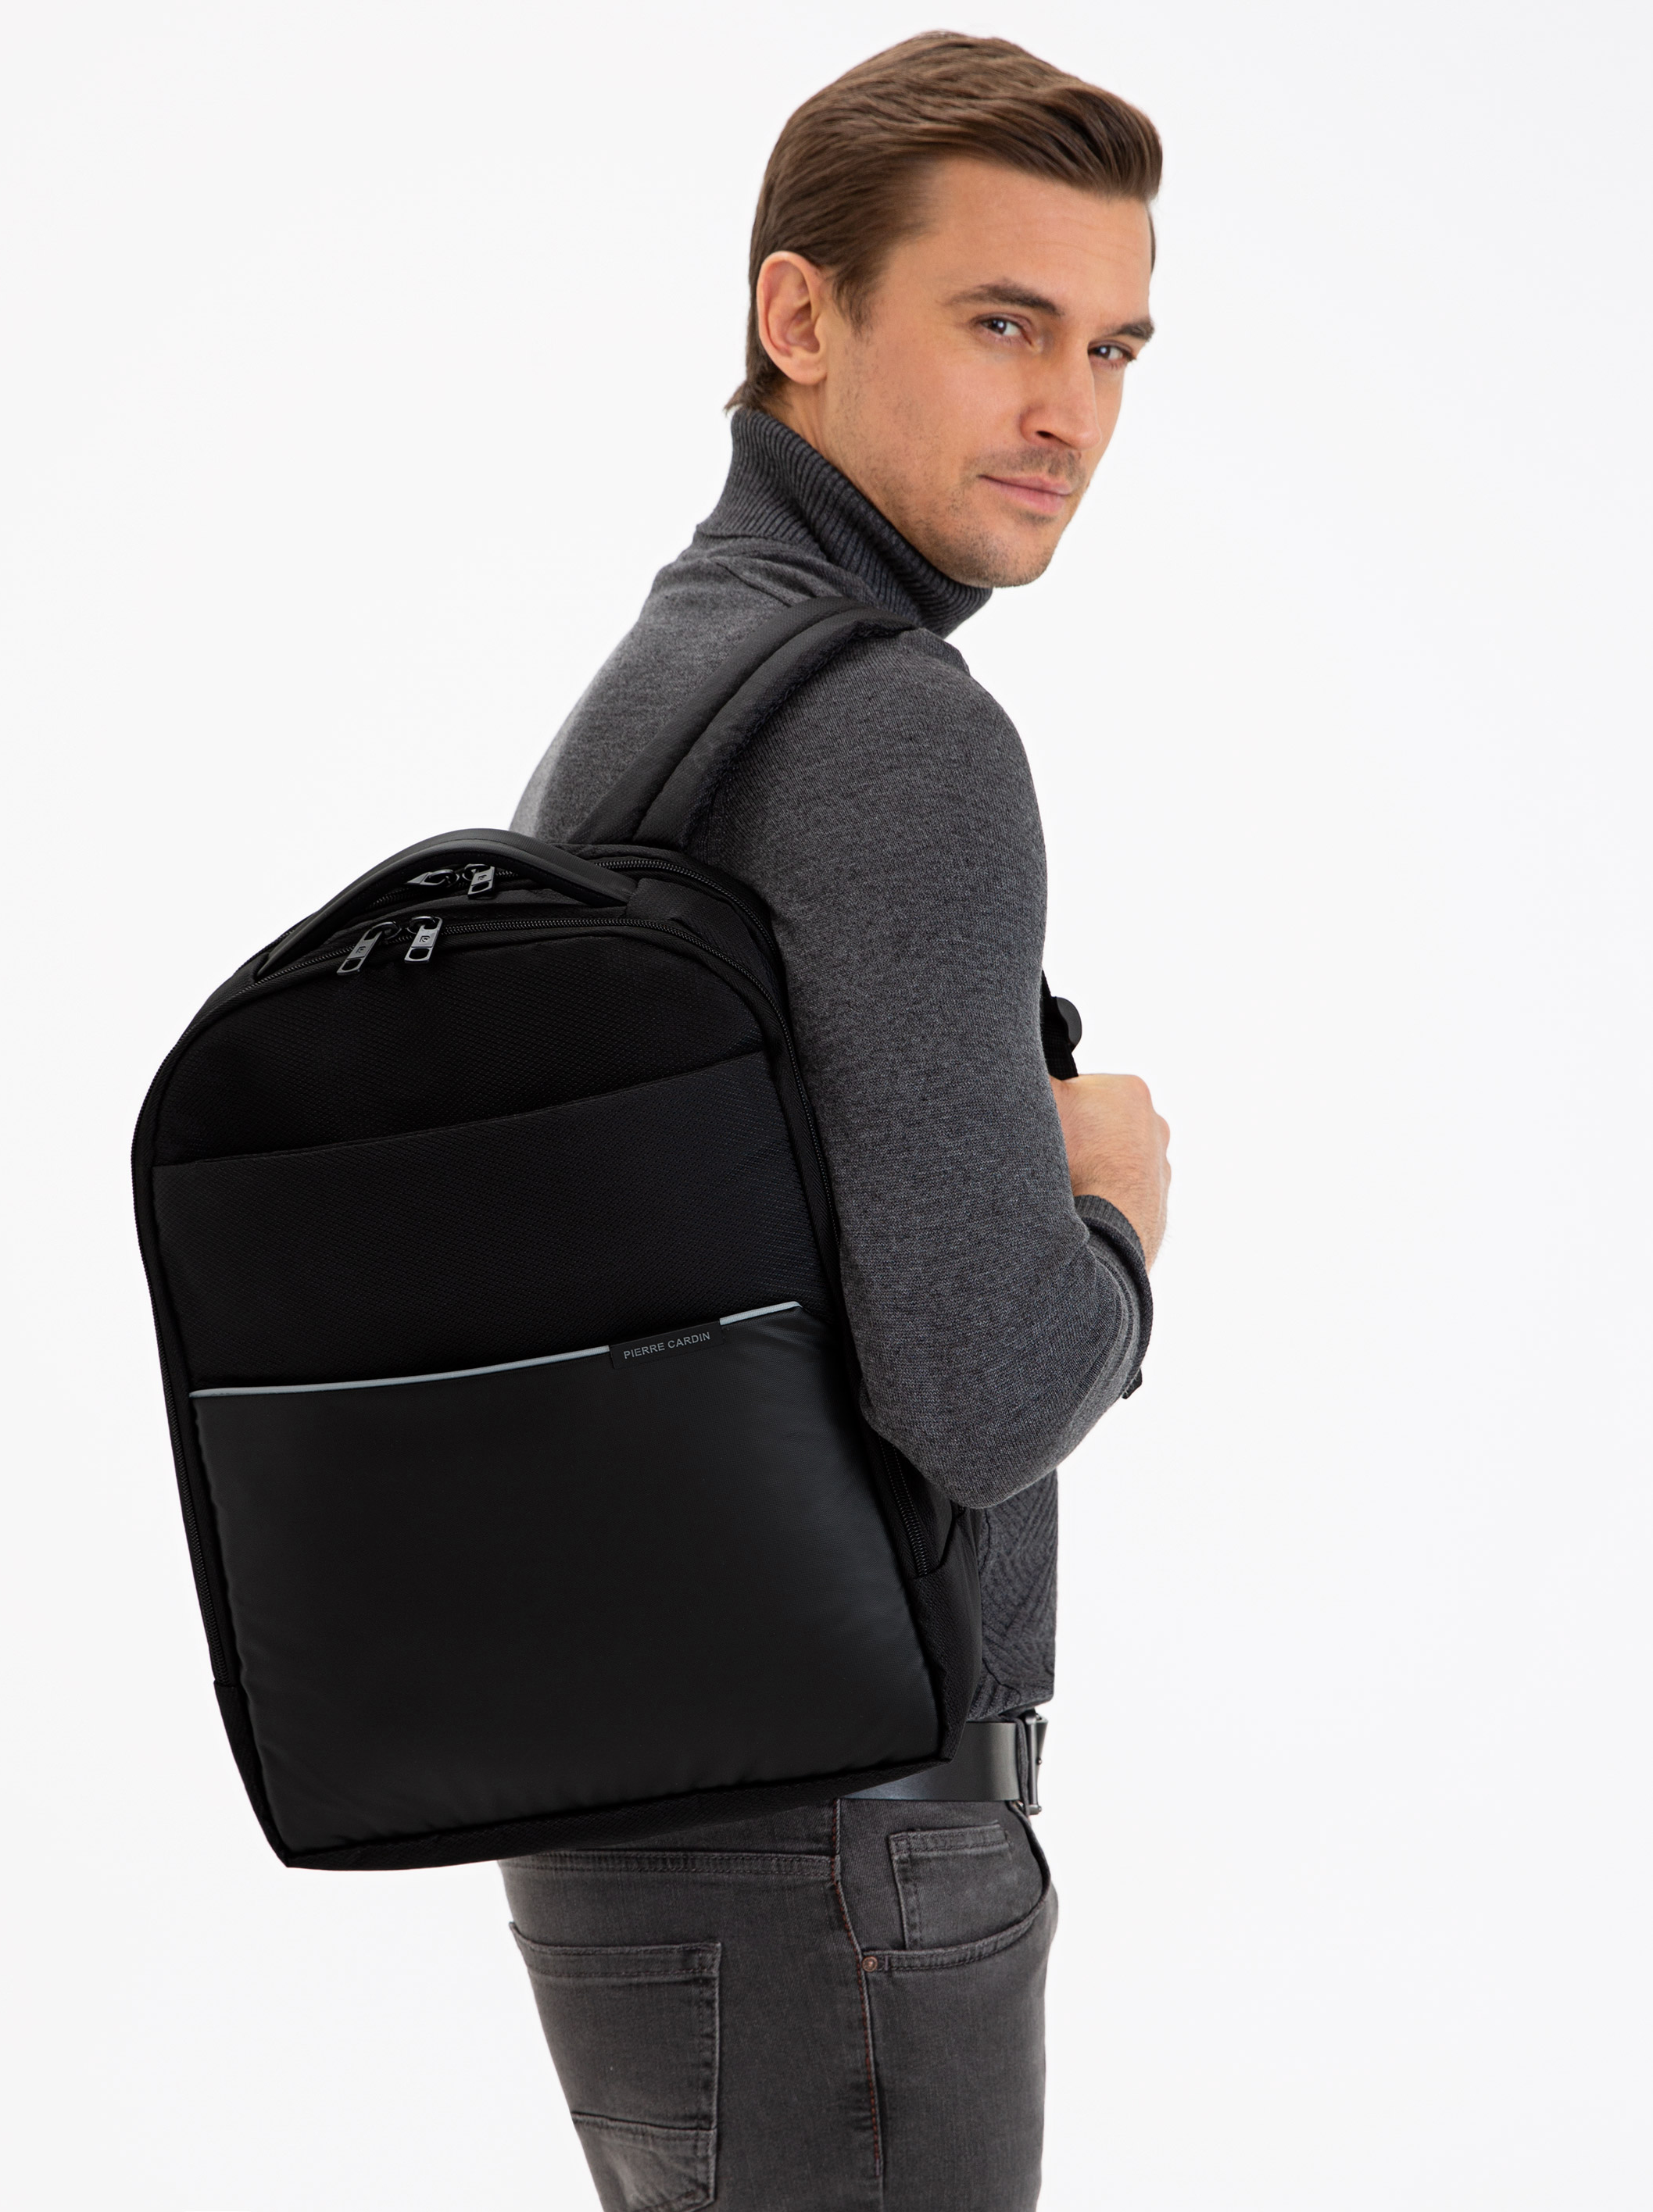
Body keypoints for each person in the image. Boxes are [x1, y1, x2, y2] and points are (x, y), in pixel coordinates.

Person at [502, 33, 1172, 2212]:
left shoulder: (674, 679)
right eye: (1003, 325)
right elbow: (983, 1391)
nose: (1068, 412)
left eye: (1110, 348)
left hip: (651, 1822)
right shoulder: (888, 728)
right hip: (844, 1856)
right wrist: (1113, 1213)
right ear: (801, 315)